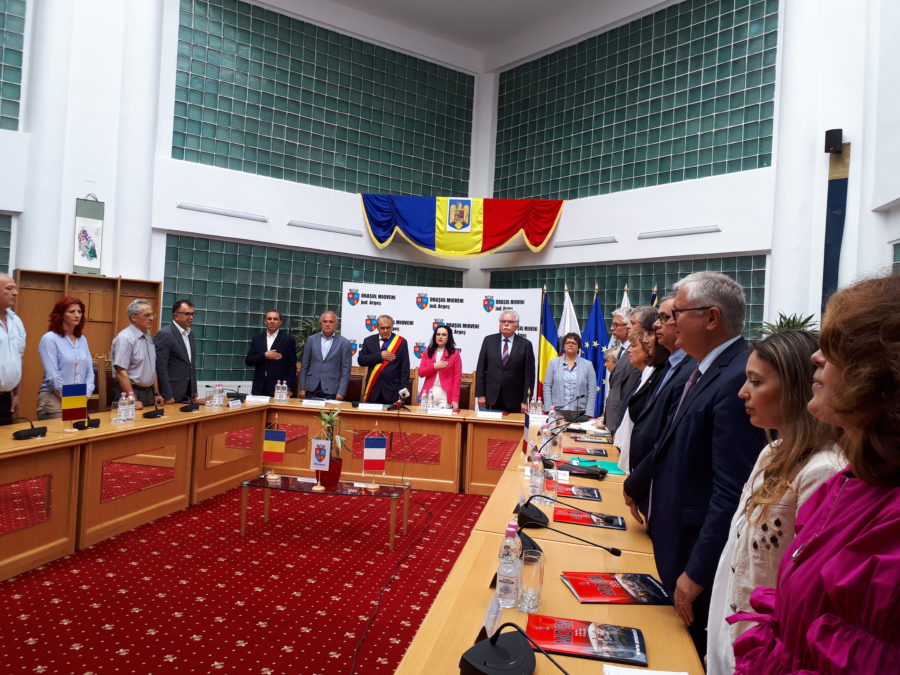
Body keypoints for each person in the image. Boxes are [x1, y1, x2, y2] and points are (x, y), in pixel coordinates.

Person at [732, 275, 900, 674]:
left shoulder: (840, 481)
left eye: (836, 349)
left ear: (880, 376)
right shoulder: (848, 486)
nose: (816, 358)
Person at [623, 272, 766, 656]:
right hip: (675, 544)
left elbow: (731, 489)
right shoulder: (704, 369)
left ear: (711, 318)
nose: (665, 323)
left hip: (695, 559)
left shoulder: (736, 377)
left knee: (683, 654)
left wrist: (697, 572)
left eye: (677, 313)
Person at [706, 330, 844, 674]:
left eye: (756, 382)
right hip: (733, 634)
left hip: (766, 653)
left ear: (796, 389)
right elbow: (737, 558)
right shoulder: (772, 452)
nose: (743, 392)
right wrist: (720, 640)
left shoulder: (823, 471)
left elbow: (803, 590)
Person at [627, 295, 696, 477]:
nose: (657, 324)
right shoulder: (667, 367)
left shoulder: (690, 370)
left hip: (656, 475)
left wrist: (638, 479)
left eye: (665, 317)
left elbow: (668, 434)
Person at [36, 296, 96, 420]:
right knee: (63, 431)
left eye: (79, 311)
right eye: (72, 311)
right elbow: (52, 376)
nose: (77, 315)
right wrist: (71, 397)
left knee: (79, 431)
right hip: (53, 398)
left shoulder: (82, 339)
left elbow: (90, 371)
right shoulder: (49, 339)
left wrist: (86, 394)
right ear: (61, 315)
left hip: (78, 396)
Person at [475, 309, 535, 413]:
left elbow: (529, 376)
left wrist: (526, 400)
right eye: (503, 321)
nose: (506, 324)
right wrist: (480, 394)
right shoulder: (489, 341)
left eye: (510, 322)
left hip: (515, 399)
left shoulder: (525, 345)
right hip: (491, 397)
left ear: (517, 326)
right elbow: (481, 369)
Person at [111, 299, 164, 409]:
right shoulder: (125, 338)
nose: (151, 318)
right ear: (134, 317)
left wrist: (156, 393)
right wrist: (133, 399)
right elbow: (121, 372)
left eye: (152, 315)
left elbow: (152, 367)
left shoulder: (148, 336)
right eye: (147, 315)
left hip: (149, 393)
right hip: (130, 392)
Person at [358, 314, 410, 404]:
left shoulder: (401, 342)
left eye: (388, 328)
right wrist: (380, 356)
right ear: (377, 327)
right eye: (382, 328)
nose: (385, 331)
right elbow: (361, 361)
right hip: (373, 390)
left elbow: (405, 369)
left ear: (392, 327)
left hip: (393, 392)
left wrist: (403, 393)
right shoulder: (368, 341)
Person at [299, 311, 352, 400]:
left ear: (336, 324)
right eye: (325, 321)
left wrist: (341, 392)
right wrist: (302, 388)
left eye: (331, 322)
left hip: (332, 390)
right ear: (321, 323)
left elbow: (346, 370)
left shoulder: (344, 343)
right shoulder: (311, 340)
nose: (328, 324)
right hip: (311, 388)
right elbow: (305, 365)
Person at [155, 299, 198, 404]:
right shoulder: (165, 334)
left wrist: (194, 388)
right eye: (187, 314)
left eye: (192, 314)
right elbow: (160, 367)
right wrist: (167, 395)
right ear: (175, 315)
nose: (191, 317)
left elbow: (190, 364)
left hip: (188, 392)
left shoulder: (190, 334)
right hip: (172, 392)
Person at [603, 307, 640, 433]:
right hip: (613, 419)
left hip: (623, 419)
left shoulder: (635, 351)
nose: (611, 328)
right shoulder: (621, 350)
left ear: (629, 326)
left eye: (616, 325)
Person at [245, 310, 297, 397]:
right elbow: (249, 361)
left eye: (275, 319)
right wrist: (265, 355)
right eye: (269, 319)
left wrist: (289, 388)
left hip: (279, 387)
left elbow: (292, 366)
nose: (272, 321)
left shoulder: (288, 340)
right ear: (265, 321)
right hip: (259, 387)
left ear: (280, 322)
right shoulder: (257, 338)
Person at [543, 332, 597, 414]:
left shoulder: (588, 365)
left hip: (579, 412)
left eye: (574, 343)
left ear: (578, 347)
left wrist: (589, 412)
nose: (571, 345)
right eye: (568, 343)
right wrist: (548, 409)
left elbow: (592, 391)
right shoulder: (553, 363)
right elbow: (547, 386)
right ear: (564, 346)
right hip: (556, 411)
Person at [417, 324, 462, 408]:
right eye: (438, 334)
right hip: (429, 393)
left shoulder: (455, 354)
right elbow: (421, 373)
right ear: (435, 336)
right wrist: (435, 366)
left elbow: (457, 378)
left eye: (444, 335)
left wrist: (455, 399)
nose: (440, 337)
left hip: (445, 395)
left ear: (448, 337)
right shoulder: (427, 351)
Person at [0, 273, 25, 424]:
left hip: (5, 398)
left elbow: (19, 359)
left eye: (15, 288)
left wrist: (17, 395)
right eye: (9, 289)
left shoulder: (16, 321)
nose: (15, 293)